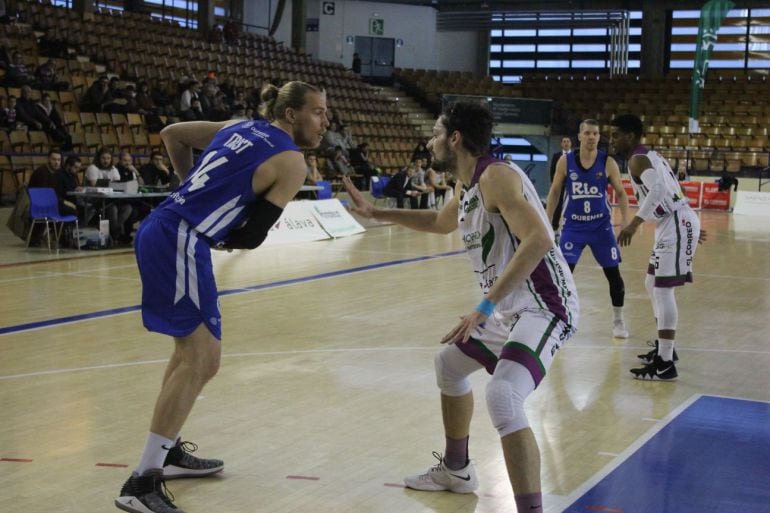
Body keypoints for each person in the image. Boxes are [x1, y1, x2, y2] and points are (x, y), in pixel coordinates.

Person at [343, 101, 578, 513]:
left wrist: (484, 306)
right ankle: (456, 470)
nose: (430, 140)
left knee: (504, 397)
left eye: (436, 132)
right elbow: (439, 223)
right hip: (508, 308)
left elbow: (539, 240)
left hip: (544, 304)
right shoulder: (466, 184)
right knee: (448, 366)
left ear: (455, 138)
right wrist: (376, 211)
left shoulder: (496, 176)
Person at [115, 80, 328, 513]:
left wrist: (191, 189)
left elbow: (172, 133)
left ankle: (167, 452)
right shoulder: (291, 161)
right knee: (202, 359)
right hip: (180, 237)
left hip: (167, 227)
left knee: (189, 354)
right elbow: (251, 236)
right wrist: (208, 215)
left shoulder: (237, 126)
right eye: (319, 112)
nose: (326, 121)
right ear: (291, 115)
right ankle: (141, 482)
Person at [610, 114, 705, 381]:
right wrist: (689, 224)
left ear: (630, 136)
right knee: (652, 284)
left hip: (675, 222)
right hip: (674, 221)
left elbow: (659, 189)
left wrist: (634, 223)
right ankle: (667, 351)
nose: (612, 140)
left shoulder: (637, 159)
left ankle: (665, 364)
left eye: (616, 135)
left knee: (663, 291)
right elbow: (670, 189)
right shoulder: (648, 155)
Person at [545, 119, 630, 339]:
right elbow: (554, 192)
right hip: (573, 226)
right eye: (588, 133)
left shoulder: (607, 161)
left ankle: (619, 321)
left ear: (599, 137)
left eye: (595, 133)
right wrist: (547, 221)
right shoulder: (565, 161)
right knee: (564, 275)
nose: (592, 137)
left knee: (613, 275)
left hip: (601, 227)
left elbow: (621, 193)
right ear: (579, 136)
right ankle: (560, 318)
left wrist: (627, 222)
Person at [548, 136, 572, 230]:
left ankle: (570, 224)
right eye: (564, 141)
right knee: (558, 204)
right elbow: (552, 170)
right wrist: (553, 183)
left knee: (571, 204)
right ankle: (554, 225)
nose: (566, 143)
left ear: (571, 143)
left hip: (571, 184)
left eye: (568, 141)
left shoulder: (575, 156)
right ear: (561, 144)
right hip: (560, 184)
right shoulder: (556, 156)